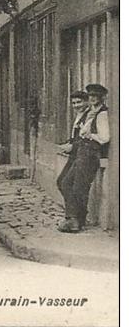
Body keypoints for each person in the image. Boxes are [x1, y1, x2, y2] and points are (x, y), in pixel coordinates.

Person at [57, 84, 110, 233]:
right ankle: (74, 218)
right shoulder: (92, 112)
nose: (93, 98)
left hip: (91, 153)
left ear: (102, 98)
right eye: (91, 96)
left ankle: (75, 221)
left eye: (96, 96)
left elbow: (105, 138)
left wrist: (90, 135)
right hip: (83, 151)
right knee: (67, 182)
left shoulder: (102, 114)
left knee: (78, 186)